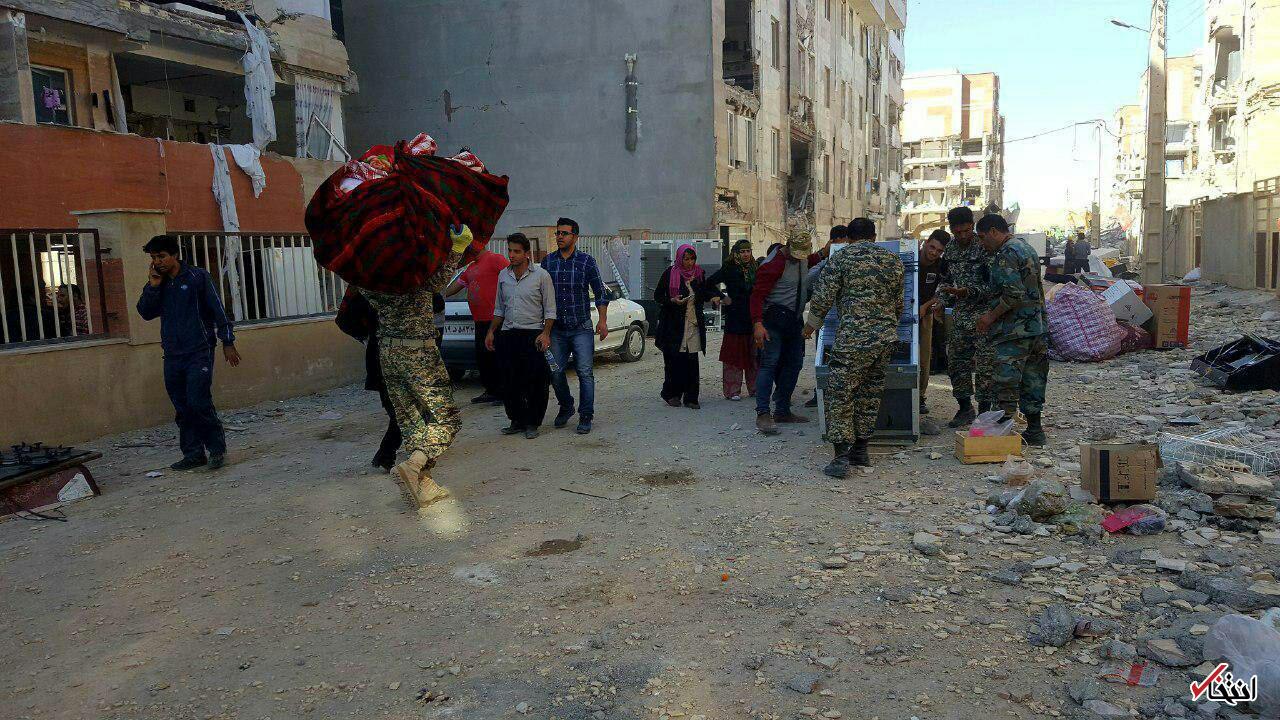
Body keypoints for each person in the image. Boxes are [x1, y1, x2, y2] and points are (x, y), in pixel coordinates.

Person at [362, 225, 473, 508]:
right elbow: (440, 281)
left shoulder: (373, 279)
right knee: (446, 419)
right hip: (418, 354)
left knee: (412, 419)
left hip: (388, 353)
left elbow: (358, 283)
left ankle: (423, 483)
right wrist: (458, 247)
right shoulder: (415, 274)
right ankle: (414, 467)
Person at [804, 218, 903, 477]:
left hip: (853, 340)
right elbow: (899, 304)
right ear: (873, 236)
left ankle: (840, 457)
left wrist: (809, 327)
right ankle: (861, 449)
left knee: (840, 393)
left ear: (848, 238)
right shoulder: (892, 260)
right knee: (869, 394)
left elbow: (823, 295)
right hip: (884, 339)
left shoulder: (842, 258)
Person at [136, 234, 241, 471]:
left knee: (198, 401)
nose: (158, 262)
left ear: (175, 255)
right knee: (182, 406)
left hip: (199, 351)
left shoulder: (197, 277)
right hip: (172, 355)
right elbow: (145, 312)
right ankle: (193, 453)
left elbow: (218, 310)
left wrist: (227, 341)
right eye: (154, 258)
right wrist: (153, 286)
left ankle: (216, 449)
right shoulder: (158, 283)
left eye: (161, 256)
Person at [975, 214, 1049, 446]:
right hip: (1035, 328)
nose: (982, 243)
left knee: (1005, 383)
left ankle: (1001, 437)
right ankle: (1035, 431)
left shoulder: (1006, 253)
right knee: (1033, 380)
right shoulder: (1026, 248)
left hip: (1014, 332)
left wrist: (989, 317)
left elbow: (1013, 294)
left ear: (995, 231)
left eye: (983, 237)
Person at [749, 225, 830, 435]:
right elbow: (756, 296)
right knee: (769, 364)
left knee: (794, 363)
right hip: (773, 321)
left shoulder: (801, 257)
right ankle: (763, 413)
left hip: (793, 321)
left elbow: (810, 261)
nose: (799, 258)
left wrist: (825, 251)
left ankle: (783, 409)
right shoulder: (773, 265)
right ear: (788, 245)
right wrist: (757, 323)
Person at [541, 217, 609, 435]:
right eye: (558, 233)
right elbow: (540, 294)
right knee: (555, 371)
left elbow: (600, 292)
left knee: (585, 372)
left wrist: (603, 321)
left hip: (581, 326)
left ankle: (586, 415)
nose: (559, 237)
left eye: (564, 233)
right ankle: (567, 405)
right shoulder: (548, 262)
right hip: (557, 329)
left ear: (575, 237)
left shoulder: (586, 261)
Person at [486, 233, 557, 438]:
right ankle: (516, 419)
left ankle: (532, 423)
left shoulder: (541, 275)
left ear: (527, 253)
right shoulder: (503, 275)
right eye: (510, 250)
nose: (512, 255)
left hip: (533, 334)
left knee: (535, 381)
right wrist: (491, 331)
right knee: (509, 380)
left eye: (517, 251)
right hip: (509, 334)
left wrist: (545, 333)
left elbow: (550, 309)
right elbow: (500, 308)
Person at [936, 206, 996, 428]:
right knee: (957, 362)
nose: (962, 236)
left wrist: (968, 292)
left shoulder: (985, 247)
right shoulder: (950, 250)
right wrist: (941, 302)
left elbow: (994, 284)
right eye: (957, 232)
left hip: (985, 315)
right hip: (961, 316)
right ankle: (964, 408)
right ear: (951, 229)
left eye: (966, 231)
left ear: (972, 226)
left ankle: (985, 412)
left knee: (985, 366)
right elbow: (945, 280)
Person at [336, 288, 402, 471]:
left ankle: (390, 454)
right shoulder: (401, 279)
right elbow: (437, 302)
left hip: (382, 351)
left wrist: (368, 337)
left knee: (400, 409)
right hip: (394, 354)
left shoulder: (366, 279)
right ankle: (388, 455)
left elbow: (344, 320)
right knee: (403, 410)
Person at [654, 244, 718, 409]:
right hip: (673, 324)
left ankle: (691, 397)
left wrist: (714, 298)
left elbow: (706, 292)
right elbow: (658, 296)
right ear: (680, 258)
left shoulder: (699, 274)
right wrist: (673, 301)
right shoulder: (670, 273)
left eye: (692, 259)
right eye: (686, 259)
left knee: (691, 361)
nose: (690, 263)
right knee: (674, 360)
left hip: (693, 324)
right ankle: (672, 394)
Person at [445, 243, 510, 404]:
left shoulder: (495, 259)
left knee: (497, 357)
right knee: (483, 358)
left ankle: (504, 392)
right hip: (479, 319)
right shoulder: (471, 268)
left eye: (467, 248)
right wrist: (439, 294)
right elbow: (457, 285)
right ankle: (491, 390)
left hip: (495, 318)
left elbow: (511, 276)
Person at [705, 239, 758, 400]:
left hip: (753, 316)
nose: (746, 254)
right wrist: (722, 297)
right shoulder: (729, 269)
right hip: (735, 316)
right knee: (734, 355)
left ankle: (755, 389)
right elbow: (708, 283)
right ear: (736, 253)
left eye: (748, 251)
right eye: (742, 252)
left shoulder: (755, 268)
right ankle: (733, 391)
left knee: (754, 355)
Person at [803, 225, 848, 409]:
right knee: (824, 356)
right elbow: (808, 280)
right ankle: (820, 392)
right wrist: (826, 260)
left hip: (847, 320)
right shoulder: (822, 263)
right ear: (833, 243)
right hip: (826, 320)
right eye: (840, 243)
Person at [917, 230, 950, 417]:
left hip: (925, 314)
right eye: (932, 247)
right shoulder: (911, 257)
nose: (933, 253)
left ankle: (920, 396)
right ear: (926, 243)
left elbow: (942, 291)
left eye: (938, 250)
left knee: (924, 358)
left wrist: (926, 306)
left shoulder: (941, 266)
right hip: (903, 313)